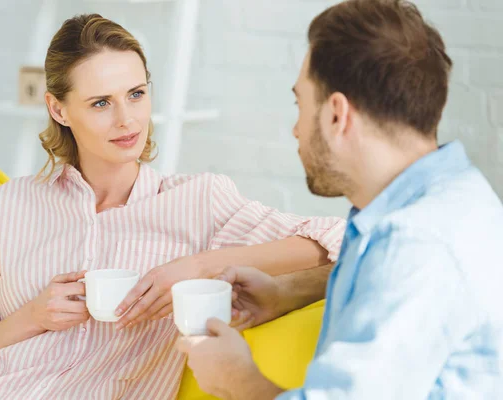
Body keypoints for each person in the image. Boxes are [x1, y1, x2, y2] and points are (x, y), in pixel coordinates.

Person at [0, 14, 345, 399]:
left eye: (136, 94)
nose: (127, 120)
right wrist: (32, 317)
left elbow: (343, 241)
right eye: (101, 103)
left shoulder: (197, 202)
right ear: (59, 109)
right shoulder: (11, 206)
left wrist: (201, 265)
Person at [177, 0, 503, 399]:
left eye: (301, 104)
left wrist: (237, 380)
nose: (296, 130)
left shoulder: (416, 244)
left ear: (336, 115)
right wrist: (287, 291)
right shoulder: (451, 197)